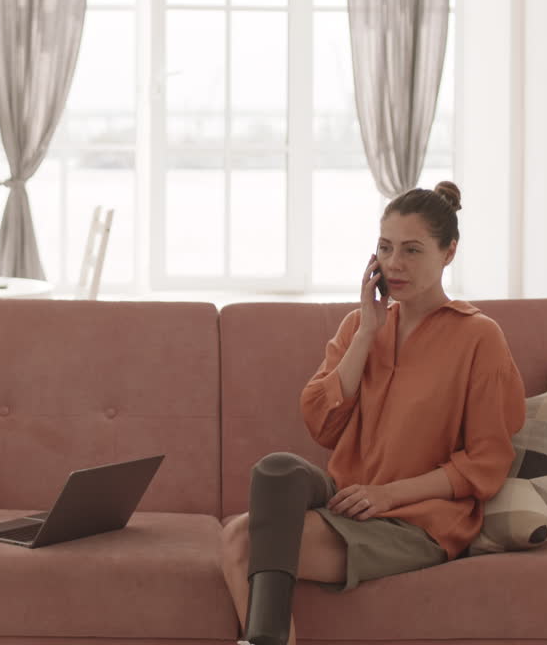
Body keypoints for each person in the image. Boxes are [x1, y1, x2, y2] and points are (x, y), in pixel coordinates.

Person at [219, 182, 526, 645]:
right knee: (276, 470)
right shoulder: (358, 327)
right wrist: (366, 332)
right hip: (347, 499)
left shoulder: (479, 337)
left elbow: (486, 461)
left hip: (419, 520)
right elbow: (321, 423)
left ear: (449, 253)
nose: (394, 263)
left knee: (240, 540)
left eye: (412, 250)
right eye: (384, 248)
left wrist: (387, 496)